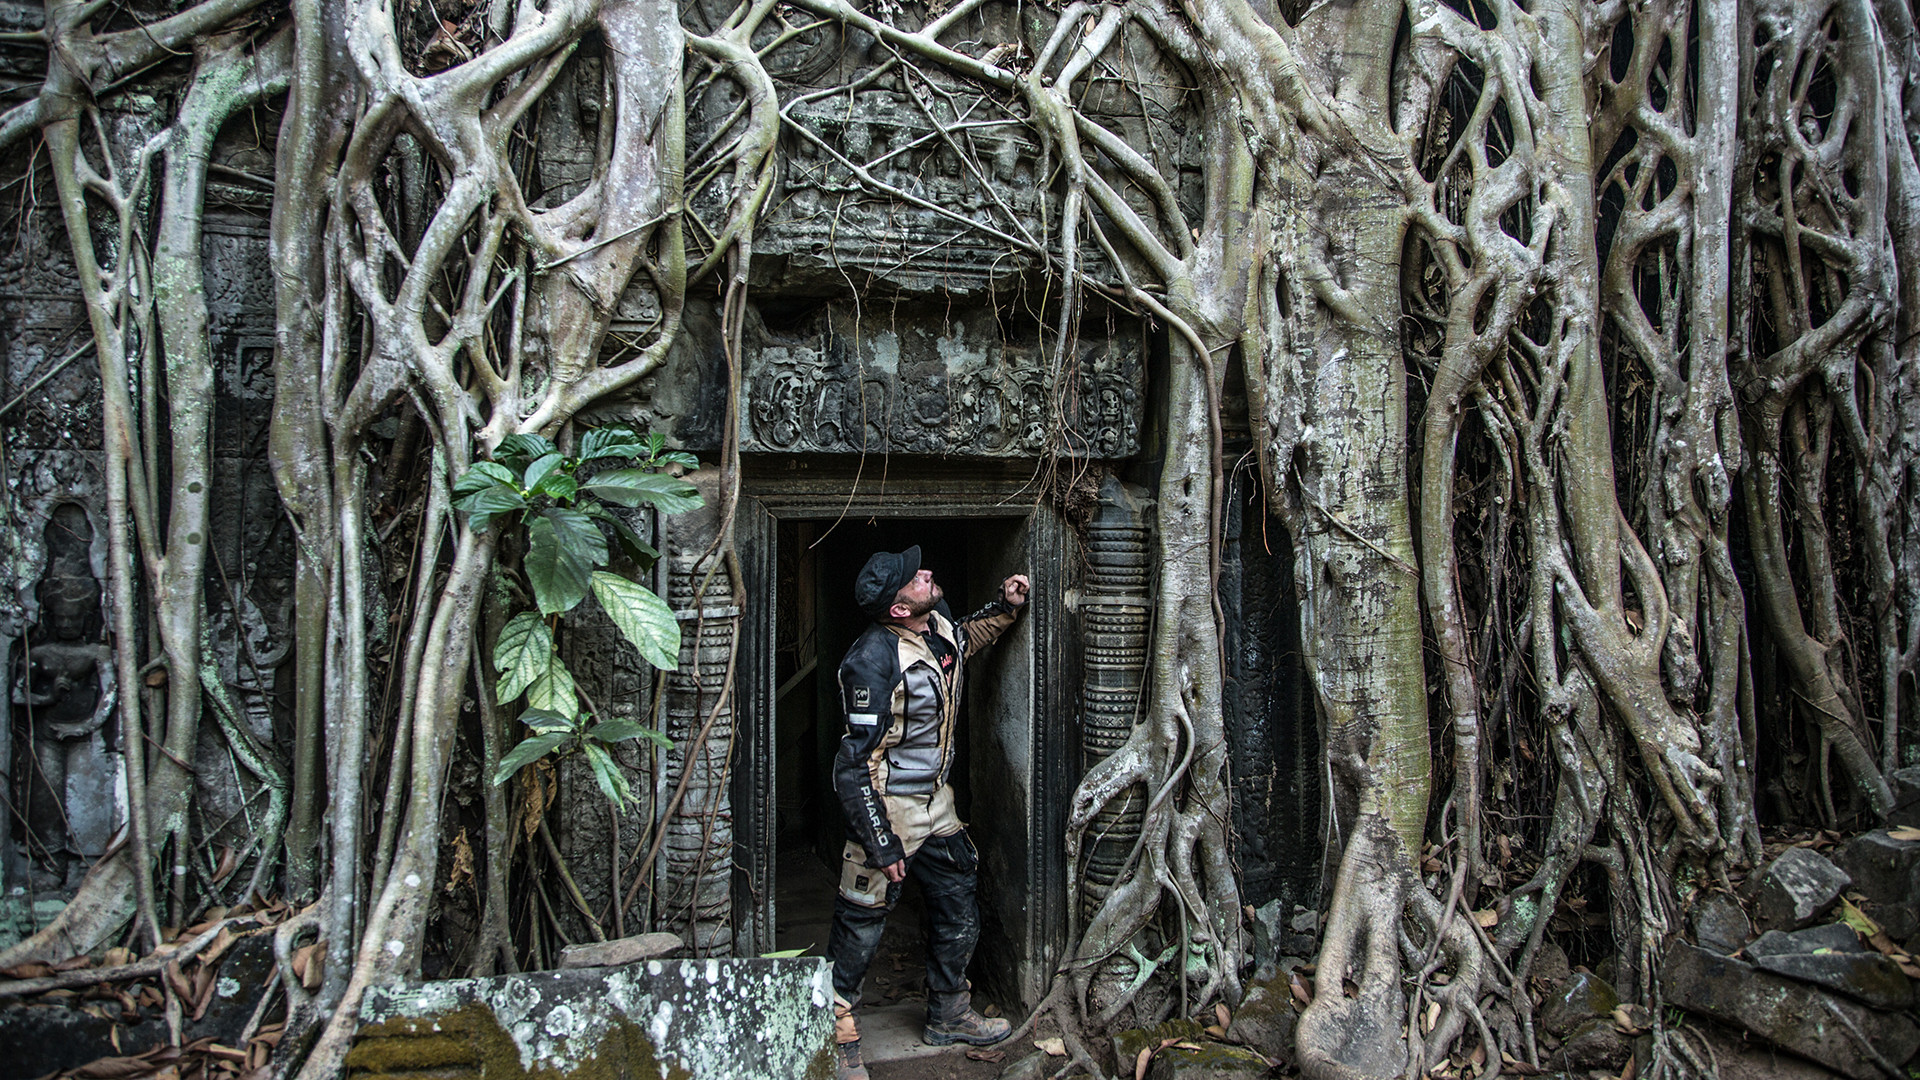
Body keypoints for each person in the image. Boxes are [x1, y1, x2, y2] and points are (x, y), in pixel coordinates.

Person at [828, 546, 1031, 1080]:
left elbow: (965, 640)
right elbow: (854, 762)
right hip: (887, 807)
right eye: (912, 579)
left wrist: (1006, 609)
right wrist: (879, 840)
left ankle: (949, 1012)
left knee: (958, 898)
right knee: (861, 921)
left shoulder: (936, 626)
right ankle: (838, 1034)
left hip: (938, 803)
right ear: (898, 610)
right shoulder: (870, 660)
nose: (924, 572)